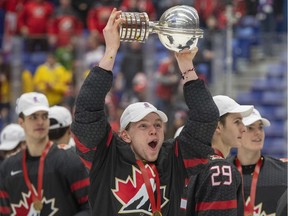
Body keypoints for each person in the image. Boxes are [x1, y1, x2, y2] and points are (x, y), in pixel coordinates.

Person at [71, 8, 219, 215]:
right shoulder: (107, 156)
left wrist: (186, 64)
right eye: (143, 125)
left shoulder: (174, 158)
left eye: (158, 125)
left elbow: (206, 117)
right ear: (125, 134)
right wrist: (110, 51)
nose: (154, 131)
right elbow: (86, 110)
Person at [0, 92, 90, 215]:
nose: (40, 122)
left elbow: (91, 206)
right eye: (33, 117)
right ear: (21, 122)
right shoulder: (7, 168)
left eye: (44, 116)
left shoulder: (70, 161)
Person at [227, 108, 288, 215]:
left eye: (260, 127)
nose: (258, 133)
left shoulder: (283, 170)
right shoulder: (222, 171)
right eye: (250, 128)